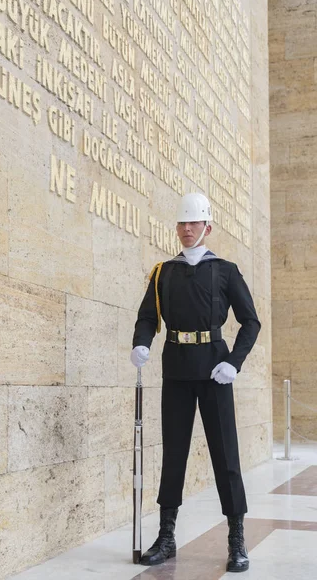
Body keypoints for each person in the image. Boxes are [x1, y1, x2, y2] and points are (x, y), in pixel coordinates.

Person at [131, 193, 260, 572]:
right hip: (176, 371)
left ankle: (237, 538)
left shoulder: (224, 269)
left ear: (208, 227)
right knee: (173, 456)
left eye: (194, 223)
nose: (187, 230)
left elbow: (250, 321)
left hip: (215, 372)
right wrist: (141, 343)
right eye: (182, 223)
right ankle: (166, 535)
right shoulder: (163, 272)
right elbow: (146, 316)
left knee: (226, 457)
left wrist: (234, 363)